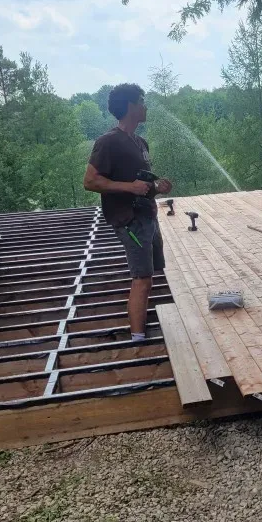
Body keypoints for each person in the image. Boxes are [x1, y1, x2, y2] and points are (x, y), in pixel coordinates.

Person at [83, 83, 172, 342]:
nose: (145, 106)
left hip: (148, 217)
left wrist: (156, 187)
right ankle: (137, 339)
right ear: (131, 106)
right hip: (129, 221)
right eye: (142, 101)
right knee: (141, 278)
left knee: (150, 275)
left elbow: (141, 185)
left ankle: (142, 326)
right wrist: (129, 187)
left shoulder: (140, 142)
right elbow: (90, 181)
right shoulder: (108, 142)